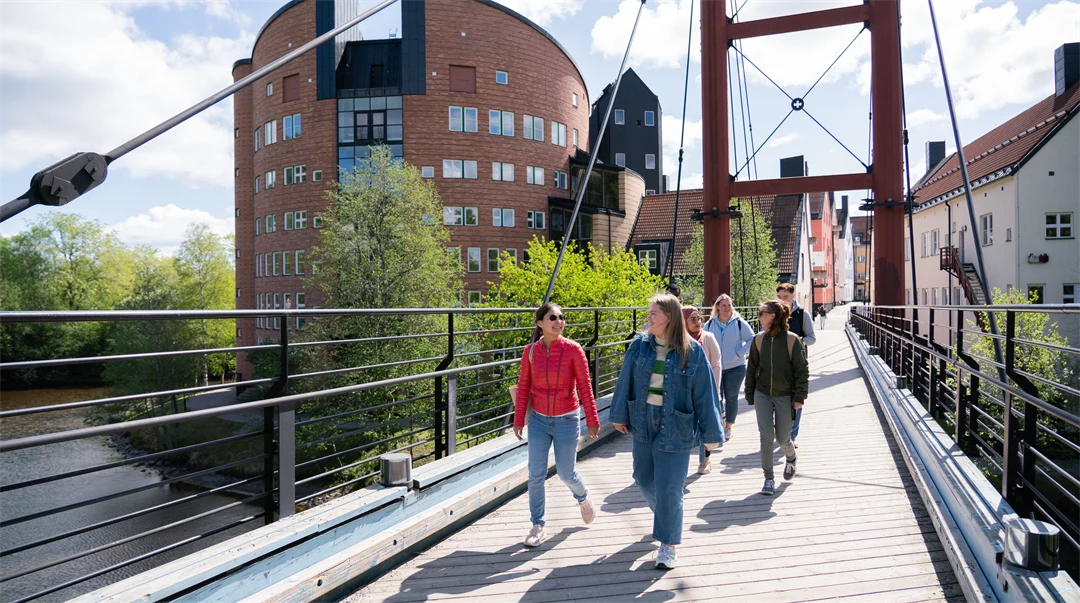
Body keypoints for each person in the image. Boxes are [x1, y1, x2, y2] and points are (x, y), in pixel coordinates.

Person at [611, 294, 724, 570]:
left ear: (669, 318)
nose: (647, 318)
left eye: (653, 314)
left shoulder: (692, 352)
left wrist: (712, 434)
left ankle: (668, 545)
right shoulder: (641, 345)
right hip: (643, 418)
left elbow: (705, 394)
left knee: (669, 488)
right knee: (642, 478)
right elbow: (625, 378)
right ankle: (668, 513)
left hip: (676, 423)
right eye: (648, 313)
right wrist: (618, 415)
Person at [513, 302, 601, 547]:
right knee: (536, 474)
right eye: (553, 317)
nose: (559, 321)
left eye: (561, 317)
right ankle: (537, 525)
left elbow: (585, 386)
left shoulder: (574, 350)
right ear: (540, 323)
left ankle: (583, 498)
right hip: (539, 420)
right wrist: (519, 419)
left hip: (566, 418)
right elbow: (523, 388)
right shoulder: (530, 351)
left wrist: (592, 419)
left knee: (566, 472)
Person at [746, 299, 809, 496]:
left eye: (762, 313)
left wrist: (800, 397)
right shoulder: (758, 340)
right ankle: (768, 479)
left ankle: (791, 458)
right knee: (766, 438)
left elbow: (802, 371)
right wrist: (750, 393)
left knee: (783, 439)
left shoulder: (792, 340)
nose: (759, 317)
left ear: (773, 316)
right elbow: (752, 368)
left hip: (785, 395)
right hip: (762, 393)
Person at [703, 294, 755, 443]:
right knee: (717, 396)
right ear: (717, 307)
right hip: (715, 367)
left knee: (731, 397)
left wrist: (739, 353)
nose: (727, 308)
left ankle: (729, 427)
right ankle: (721, 418)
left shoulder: (739, 323)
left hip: (735, 367)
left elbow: (752, 339)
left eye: (729, 305)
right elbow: (702, 340)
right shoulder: (710, 324)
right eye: (723, 305)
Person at [682, 306, 724, 475]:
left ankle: (705, 460)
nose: (698, 322)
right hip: (684, 390)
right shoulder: (678, 340)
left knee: (705, 424)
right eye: (692, 319)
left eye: (699, 318)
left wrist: (714, 389)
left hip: (705, 390)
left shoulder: (708, 338)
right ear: (683, 321)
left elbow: (717, 364)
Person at [775, 283, 815, 448]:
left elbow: (812, 338)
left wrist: (799, 341)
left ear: (793, 296)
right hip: (778, 363)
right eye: (780, 297)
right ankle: (781, 432)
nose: (783, 300)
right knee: (778, 400)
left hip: (798, 363)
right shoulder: (775, 314)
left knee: (797, 400)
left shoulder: (802, 314)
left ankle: (792, 435)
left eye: (785, 297)